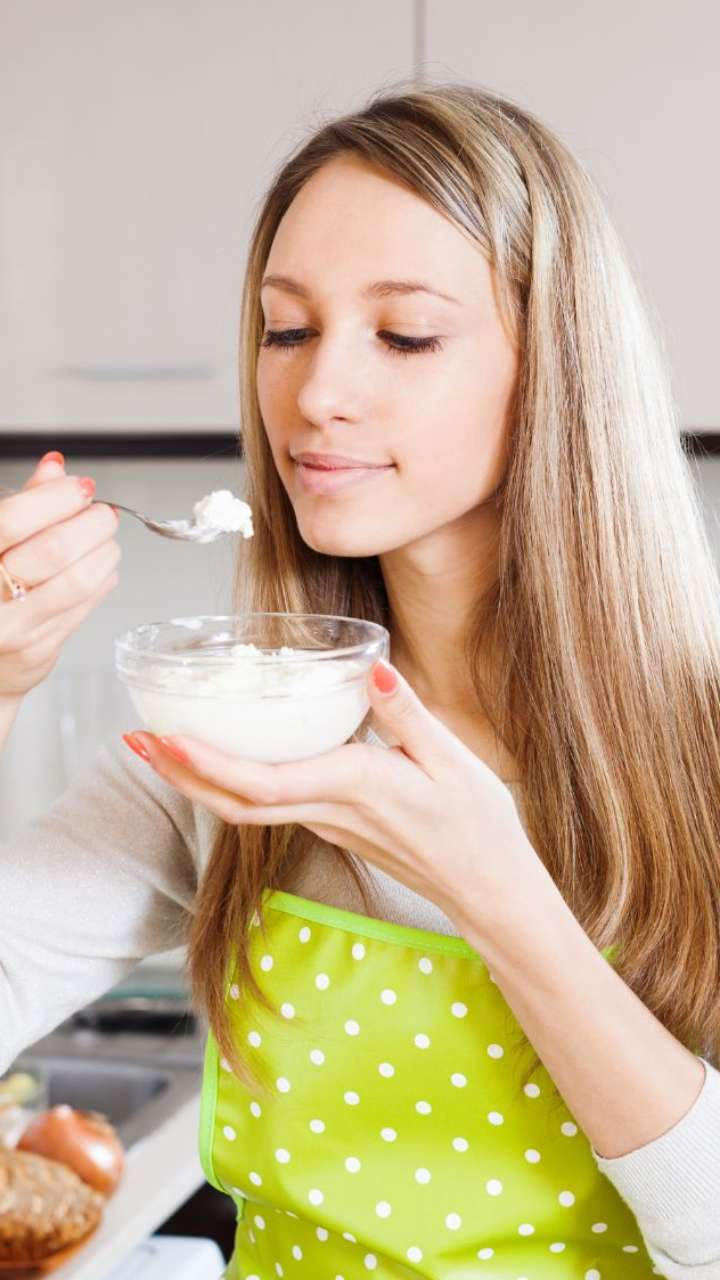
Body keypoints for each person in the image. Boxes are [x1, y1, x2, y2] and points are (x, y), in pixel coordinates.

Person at [2, 80, 719, 1279]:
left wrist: (495, 889)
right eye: (287, 330)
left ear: (558, 368)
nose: (316, 394)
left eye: (406, 334)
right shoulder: (237, 742)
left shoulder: (704, 746)